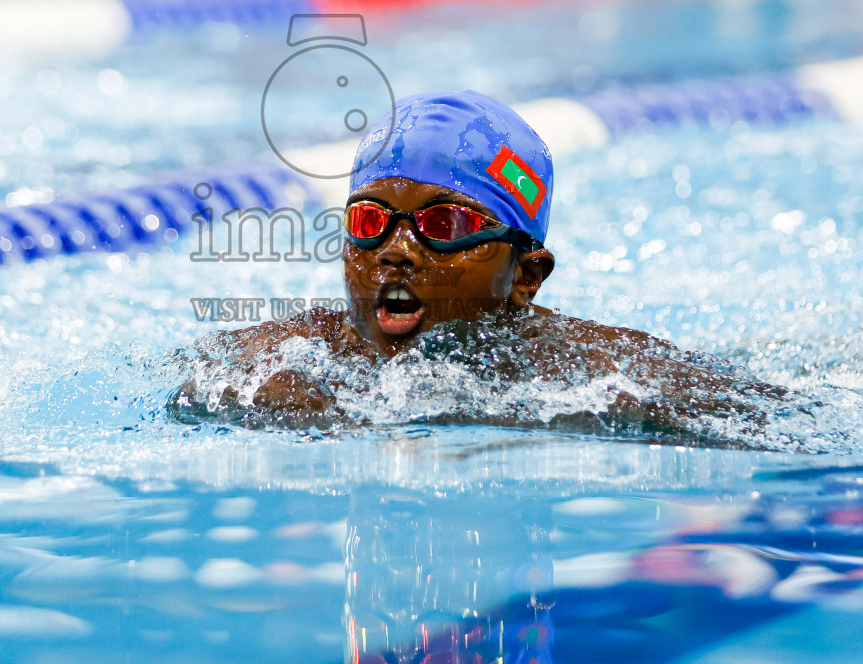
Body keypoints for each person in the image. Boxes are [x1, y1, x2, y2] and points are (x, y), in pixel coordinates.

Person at [170, 90, 776, 440]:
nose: (396, 251)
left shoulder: (606, 378)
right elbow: (180, 381)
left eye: (444, 227)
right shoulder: (291, 358)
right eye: (369, 222)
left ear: (526, 278)